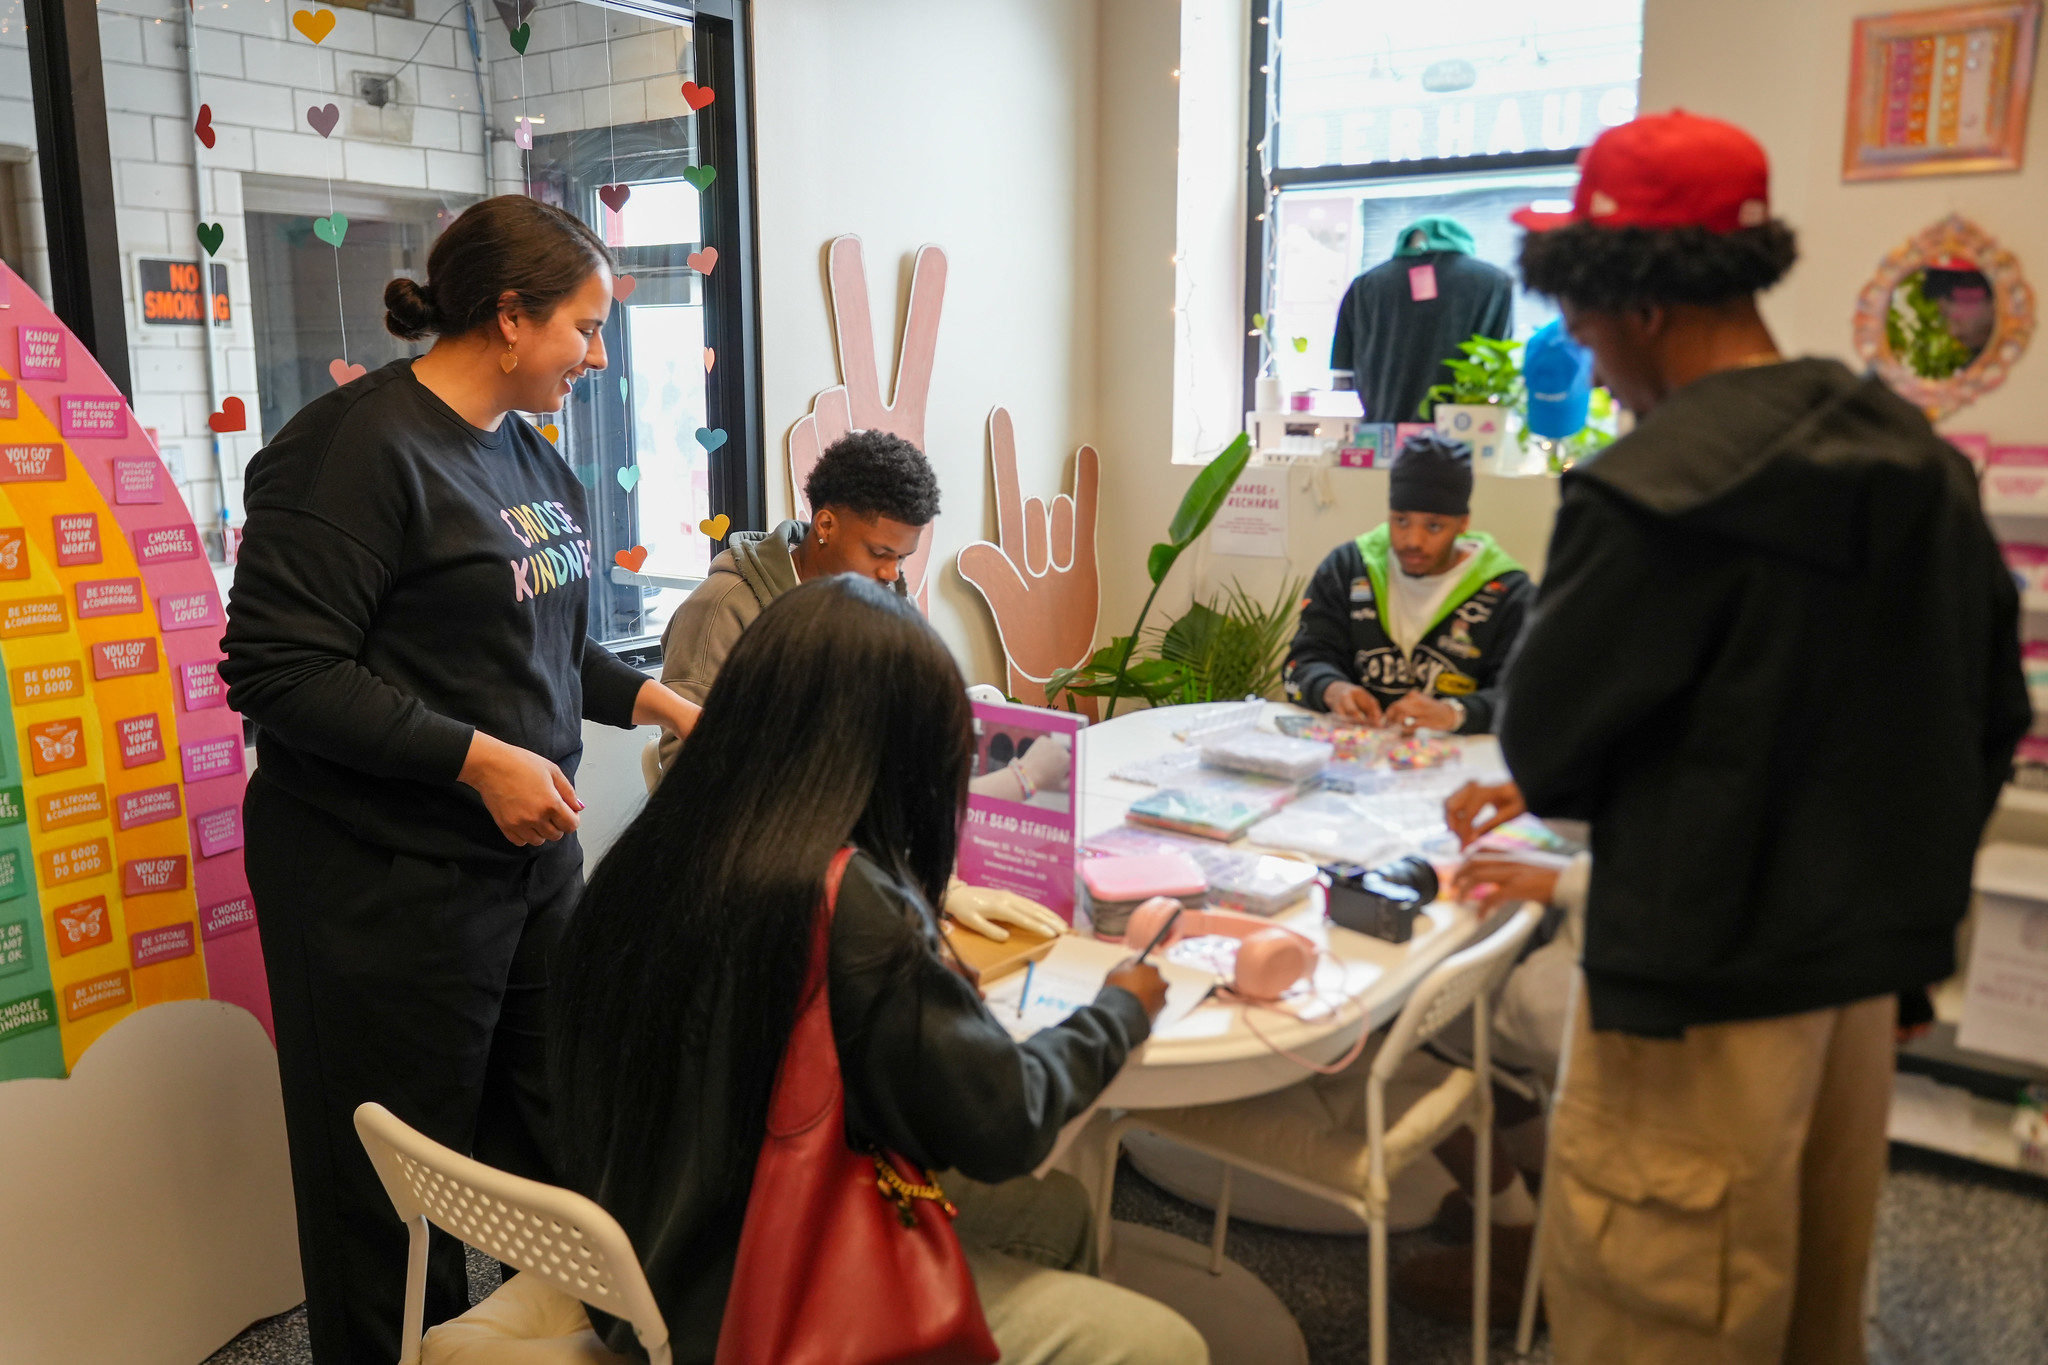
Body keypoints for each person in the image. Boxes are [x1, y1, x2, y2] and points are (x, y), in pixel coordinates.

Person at [1501, 111, 2028, 1365]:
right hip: (1851, 989)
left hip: (1691, 996)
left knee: (1656, 1311)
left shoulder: (1649, 492)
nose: (1574, 339)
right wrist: (1901, 956)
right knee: (1808, 1307)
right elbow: (1982, 722)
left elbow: (1548, 750)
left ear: (1634, 302)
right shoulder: (1917, 462)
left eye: (1579, 309)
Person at [220, 195, 702, 1365]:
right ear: (506, 316)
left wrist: (659, 699)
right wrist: (479, 761)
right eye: (582, 330)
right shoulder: (353, 453)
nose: (595, 356)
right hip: (377, 883)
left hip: (527, 868)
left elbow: (530, 638)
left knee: (562, 1140)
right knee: (390, 1199)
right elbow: (278, 669)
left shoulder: (527, 448)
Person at [551, 575, 1207, 1364]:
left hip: (638, 1268)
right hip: (740, 1311)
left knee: (1058, 1209)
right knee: (1165, 1341)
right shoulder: (845, 903)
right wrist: (1122, 1006)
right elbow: (1007, 1120)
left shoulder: (663, 846)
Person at [655, 428, 939, 767]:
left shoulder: (892, 604)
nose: (891, 574)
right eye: (879, 553)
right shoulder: (723, 609)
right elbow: (684, 767)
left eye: (901, 558)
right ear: (826, 525)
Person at [1283, 432, 1533, 733]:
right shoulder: (1346, 569)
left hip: (1460, 768)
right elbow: (1303, 661)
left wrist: (1455, 713)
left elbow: (1526, 696)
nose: (1413, 541)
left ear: (1463, 523)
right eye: (1401, 521)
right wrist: (1332, 690)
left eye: (1434, 526)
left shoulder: (1509, 593)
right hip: (1356, 760)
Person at [1331, 215, 1513, 424]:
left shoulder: (1365, 284)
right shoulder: (1495, 282)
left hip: (1382, 427)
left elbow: (1343, 373)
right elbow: (1498, 358)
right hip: (1460, 428)